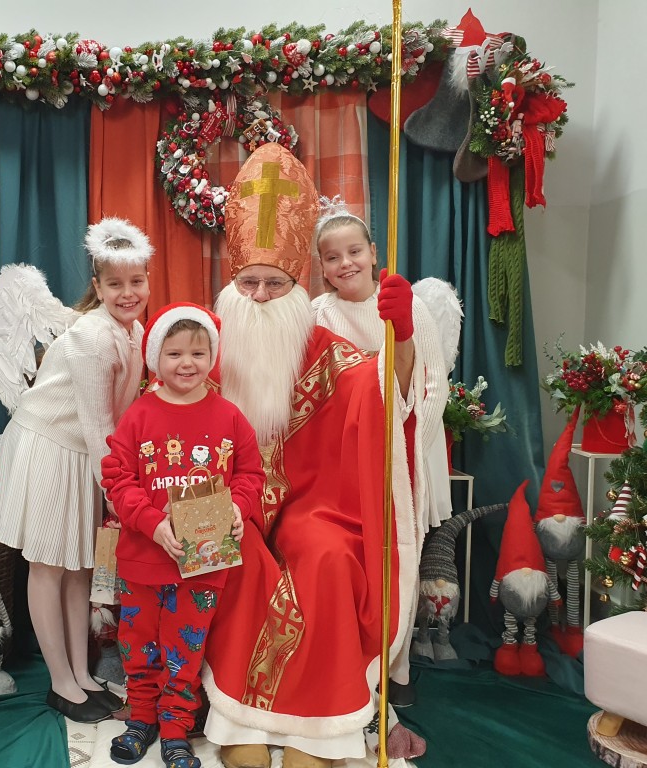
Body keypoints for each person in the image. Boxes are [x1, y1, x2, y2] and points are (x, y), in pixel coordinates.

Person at [200, 144, 430, 768]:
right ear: (231, 284)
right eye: (249, 283)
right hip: (232, 503)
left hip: (312, 507)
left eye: (275, 283)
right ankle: (236, 719)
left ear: (298, 285)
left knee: (327, 556)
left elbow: (383, 394)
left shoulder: (325, 350)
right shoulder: (207, 346)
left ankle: (321, 731)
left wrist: (403, 339)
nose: (261, 295)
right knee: (229, 549)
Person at [0, 217, 152, 724]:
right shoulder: (91, 339)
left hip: (81, 452)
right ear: (98, 287)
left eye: (136, 281)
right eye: (115, 284)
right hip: (48, 447)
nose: (128, 293)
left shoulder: (135, 332)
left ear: (147, 281)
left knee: (79, 567)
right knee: (48, 566)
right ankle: (60, 682)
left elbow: (120, 417)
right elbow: (100, 424)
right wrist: (122, 495)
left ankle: (82, 673)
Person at [310, 196, 457, 707]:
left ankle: (399, 664)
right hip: (344, 459)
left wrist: (407, 443)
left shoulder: (405, 304)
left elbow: (433, 383)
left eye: (354, 251)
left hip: (404, 448)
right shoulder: (319, 314)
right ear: (322, 267)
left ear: (373, 252)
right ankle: (355, 657)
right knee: (358, 555)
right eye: (333, 257)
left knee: (400, 552)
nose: (345, 263)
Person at [104, 302, 265, 768]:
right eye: (174, 354)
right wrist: (153, 524)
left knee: (185, 650)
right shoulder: (139, 415)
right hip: (143, 561)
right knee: (138, 644)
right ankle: (141, 719)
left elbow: (251, 474)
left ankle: (176, 728)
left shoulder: (229, 416)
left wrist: (238, 508)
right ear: (156, 357)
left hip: (203, 562)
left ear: (212, 355)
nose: (187, 363)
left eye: (198, 352)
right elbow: (117, 478)